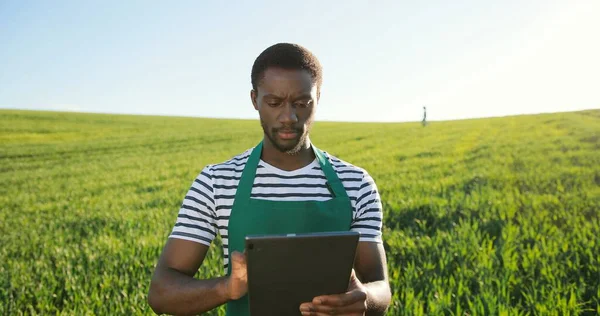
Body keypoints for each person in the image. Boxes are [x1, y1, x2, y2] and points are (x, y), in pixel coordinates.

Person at [148, 43, 391, 316]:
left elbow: (380, 287)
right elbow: (161, 292)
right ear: (254, 99)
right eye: (274, 103)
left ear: (318, 98)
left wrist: (365, 298)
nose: (288, 117)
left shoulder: (356, 183)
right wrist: (227, 288)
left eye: (302, 103)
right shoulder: (216, 182)